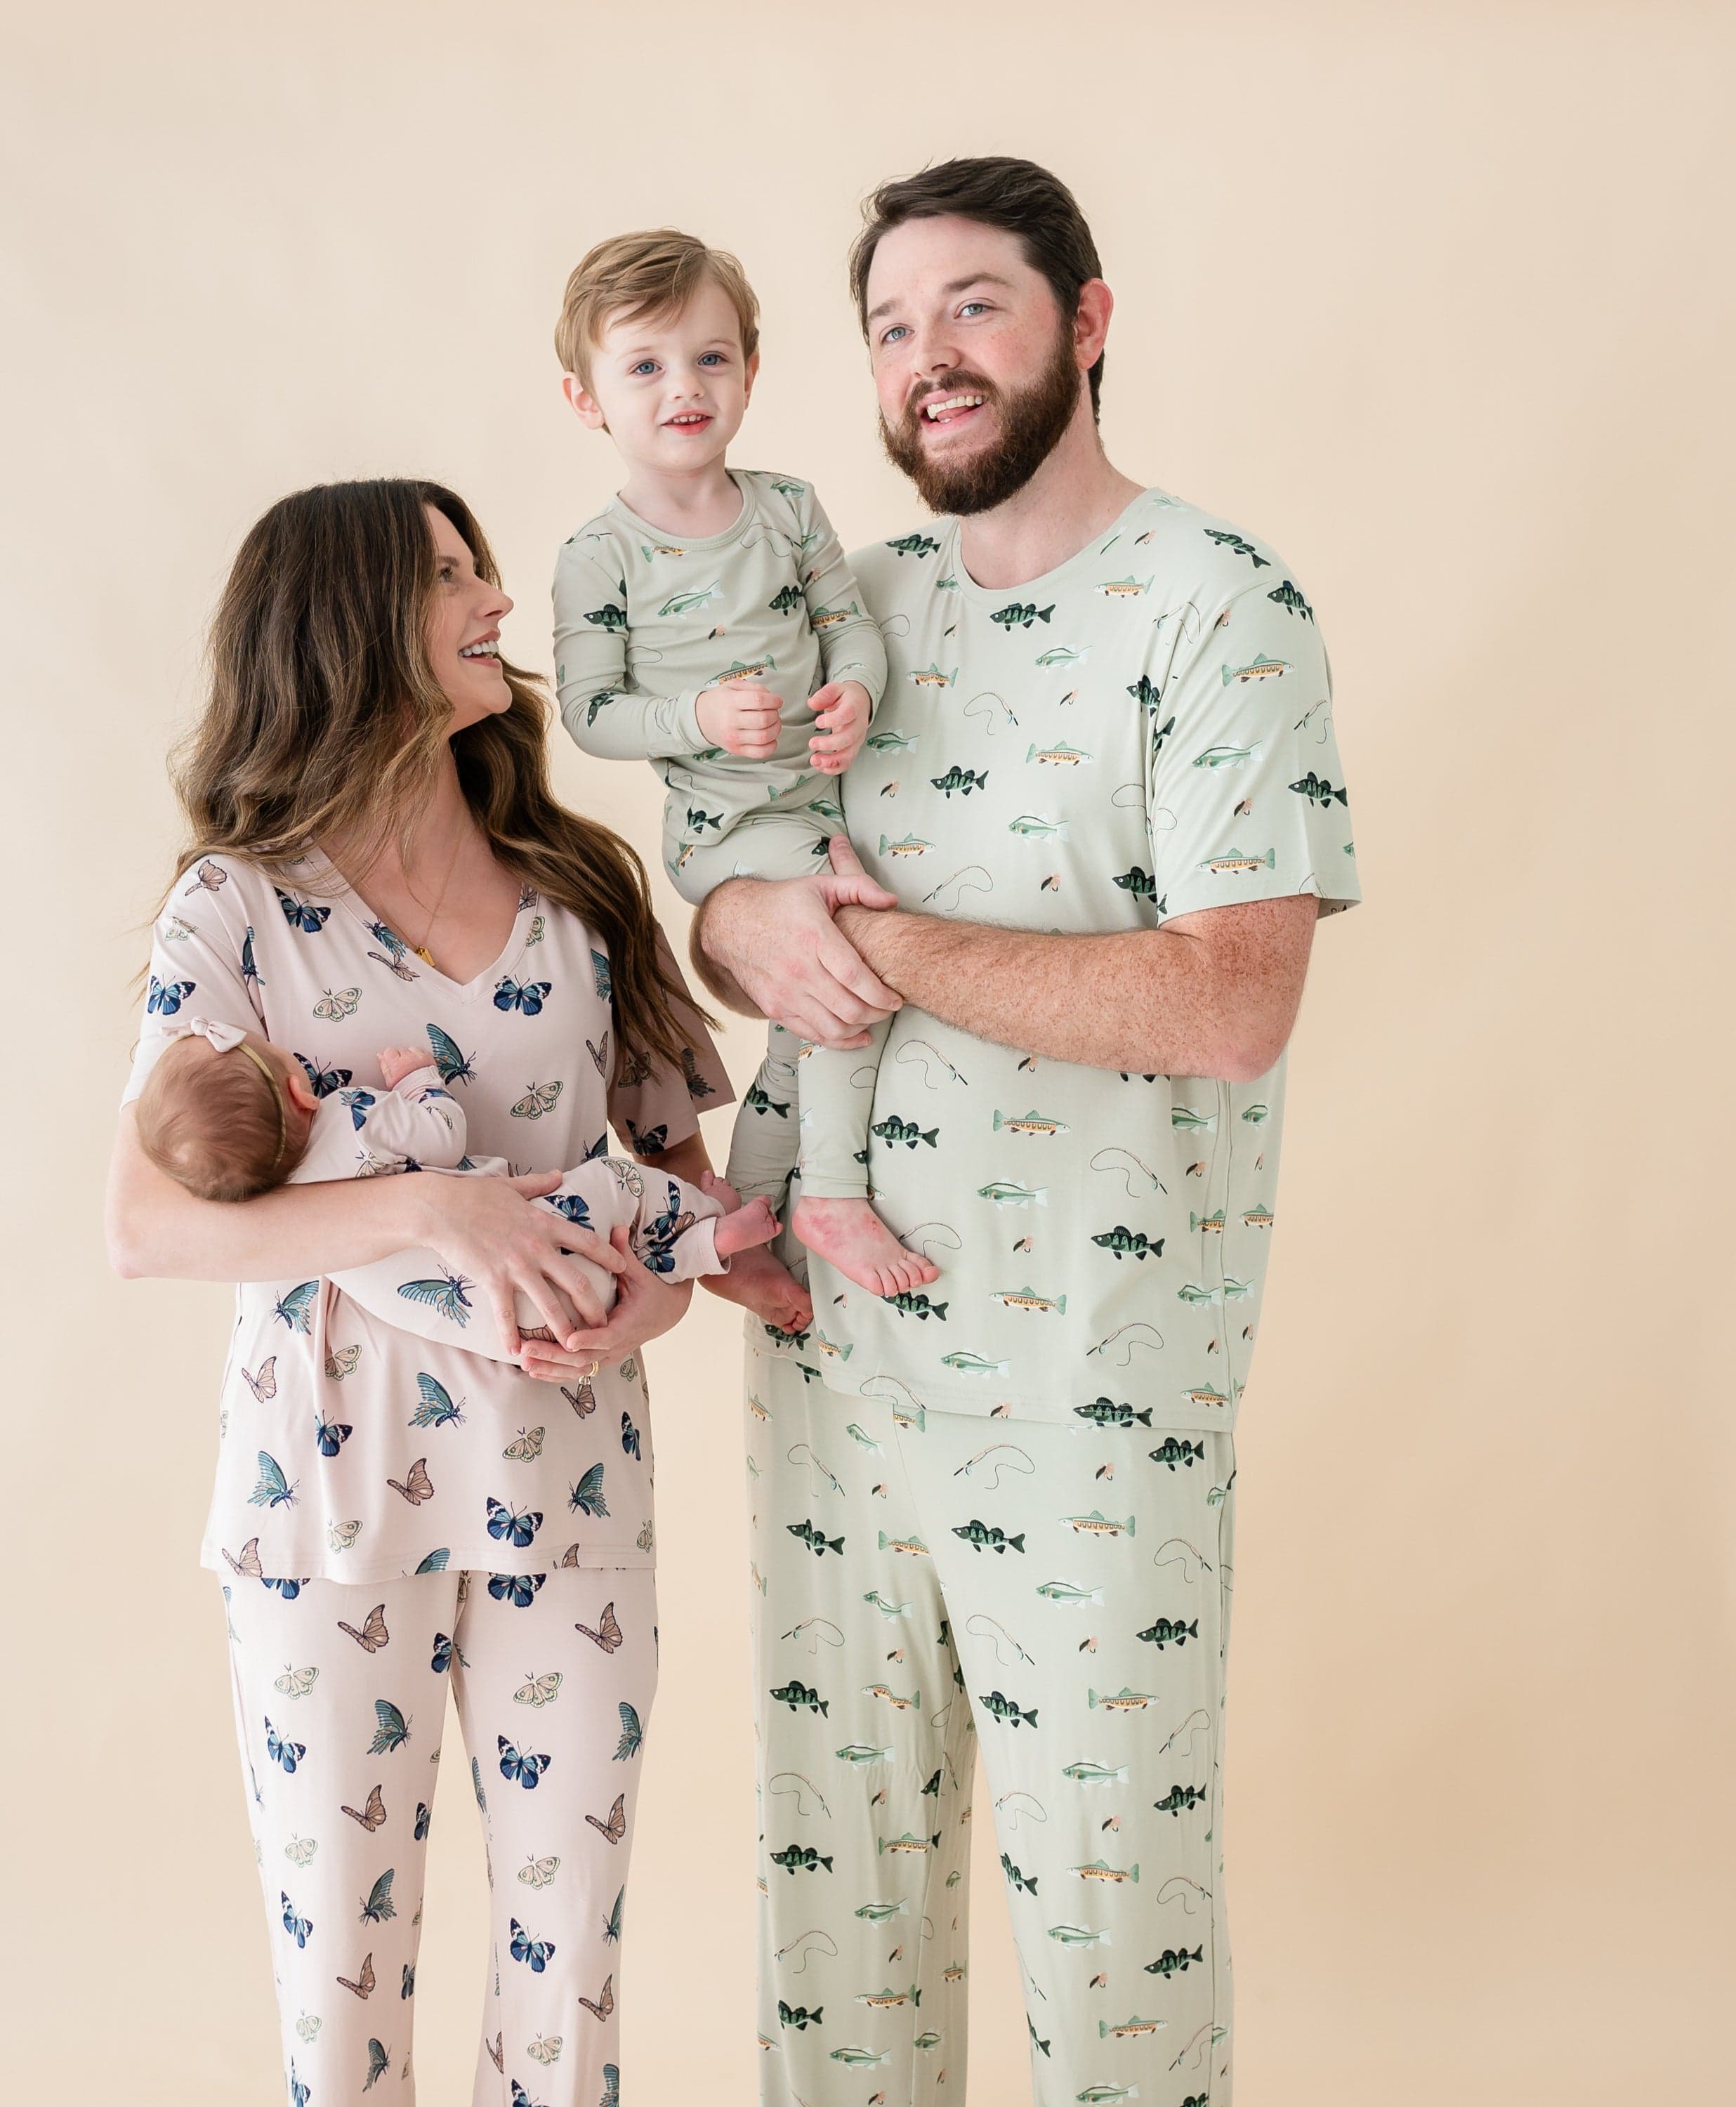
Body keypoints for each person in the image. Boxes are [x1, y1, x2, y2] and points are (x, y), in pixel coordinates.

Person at [688, 158, 1362, 2107]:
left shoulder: (1218, 605)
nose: (929, 358)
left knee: (1110, 1925)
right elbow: (731, 898)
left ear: (1087, 318)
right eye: (891, 327)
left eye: (973, 306)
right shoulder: (851, 609)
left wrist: (877, 945)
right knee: (837, 1928)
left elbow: (1229, 1000)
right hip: (832, 1357)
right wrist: (744, 922)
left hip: (1090, 1384)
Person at [105, 479, 737, 2107]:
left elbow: (690, 1194)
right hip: (326, 1500)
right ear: (350, 621)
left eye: (482, 568)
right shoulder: (235, 907)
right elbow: (148, 1225)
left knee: (568, 1977)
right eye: (452, 575)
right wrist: (435, 1206)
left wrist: (648, 1306)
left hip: (570, 1483)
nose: (494, 600)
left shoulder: (583, 890)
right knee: (341, 1986)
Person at [551, 228, 936, 1309]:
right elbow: (589, 712)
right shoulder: (600, 555)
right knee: (848, 972)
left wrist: (856, 692)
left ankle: (739, 1218)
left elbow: (849, 628)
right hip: (726, 829)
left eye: (711, 358)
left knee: (799, 1026)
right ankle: (836, 1194)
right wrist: (698, 717)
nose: (685, 387)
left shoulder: (788, 508)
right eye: (645, 366)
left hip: (822, 800)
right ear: (587, 399)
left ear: (751, 371)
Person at [133, 1016, 779, 1357]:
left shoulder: (297, 1222)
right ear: (301, 1091)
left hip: (511, 1329)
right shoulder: (352, 1117)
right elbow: (442, 1136)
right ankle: (708, 1225)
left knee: (616, 1253)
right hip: (556, 1238)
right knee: (619, 1187)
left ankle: (708, 1248)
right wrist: (418, 1083)